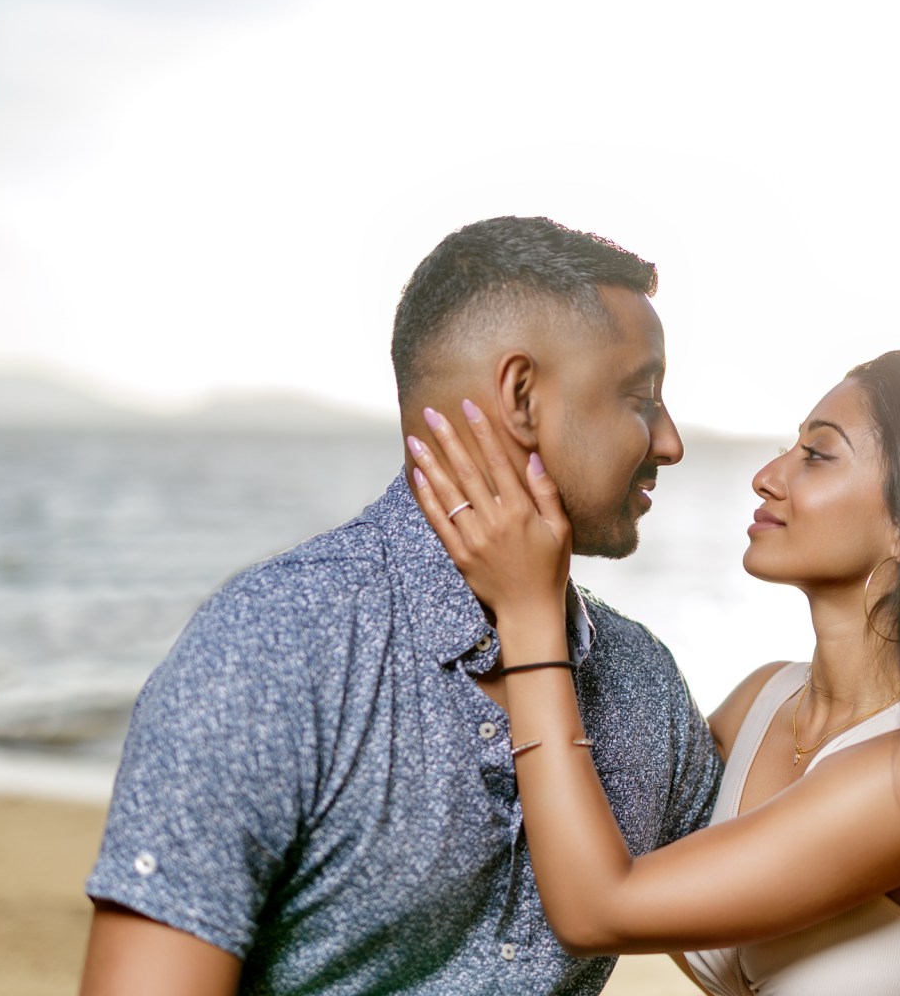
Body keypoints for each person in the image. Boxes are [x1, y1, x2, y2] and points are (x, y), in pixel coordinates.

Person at [410, 349, 900, 996]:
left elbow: (598, 906)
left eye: (818, 455)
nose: (769, 475)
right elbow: (575, 821)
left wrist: (531, 615)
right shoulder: (764, 700)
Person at [79, 216, 722, 995]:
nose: (671, 441)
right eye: (640, 396)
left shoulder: (644, 684)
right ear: (521, 395)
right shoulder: (271, 649)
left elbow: (776, 943)